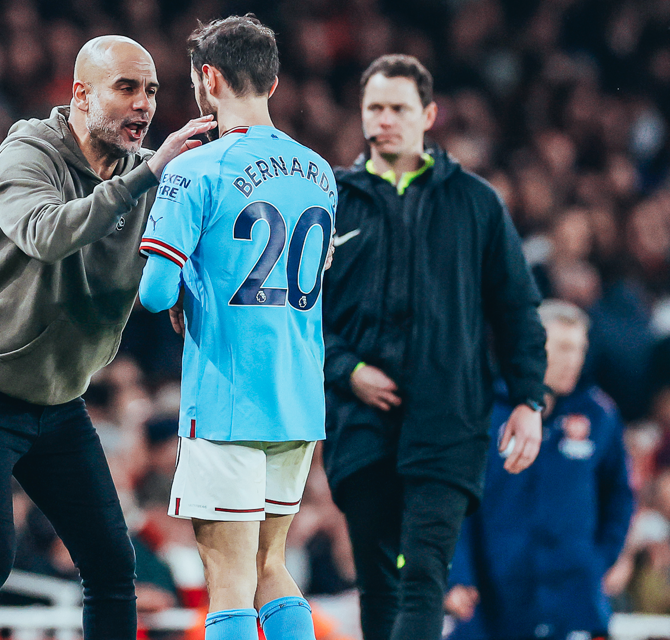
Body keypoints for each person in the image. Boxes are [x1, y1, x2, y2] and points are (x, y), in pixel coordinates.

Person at [0, 35, 215, 640]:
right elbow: (46, 233)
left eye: (152, 91)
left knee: (112, 564)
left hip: (55, 403)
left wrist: (189, 291)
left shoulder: (148, 179)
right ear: (80, 94)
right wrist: (153, 172)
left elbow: (179, 260)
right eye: (126, 87)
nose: (144, 105)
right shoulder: (27, 152)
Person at [321, 54, 548, 640]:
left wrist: (528, 399)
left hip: (448, 419)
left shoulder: (476, 203)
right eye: (375, 107)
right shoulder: (328, 201)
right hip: (358, 421)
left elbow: (516, 307)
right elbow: (301, 315)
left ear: (429, 114)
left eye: (398, 108)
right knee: (377, 580)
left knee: (424, 574)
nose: (385, 120)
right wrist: (347, 370)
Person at [137, 16, 335, 640]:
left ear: (208, 78)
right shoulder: (322, 174)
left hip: (228, 396)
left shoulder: (196, 170)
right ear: (274, 82)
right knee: (270, 564)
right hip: (299, 396)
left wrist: (187, 288)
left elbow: (156, 293)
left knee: (228, 582)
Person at [445, 300, 634, 640]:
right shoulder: (484, 411)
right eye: (563, 347)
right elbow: (458, 504)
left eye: (579, 349)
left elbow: (619, 495)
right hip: (495, 599)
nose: (573, 360)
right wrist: (458, 575)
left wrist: (600, 559)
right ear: (531, 344)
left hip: (576, 600)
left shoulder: (599, 414)